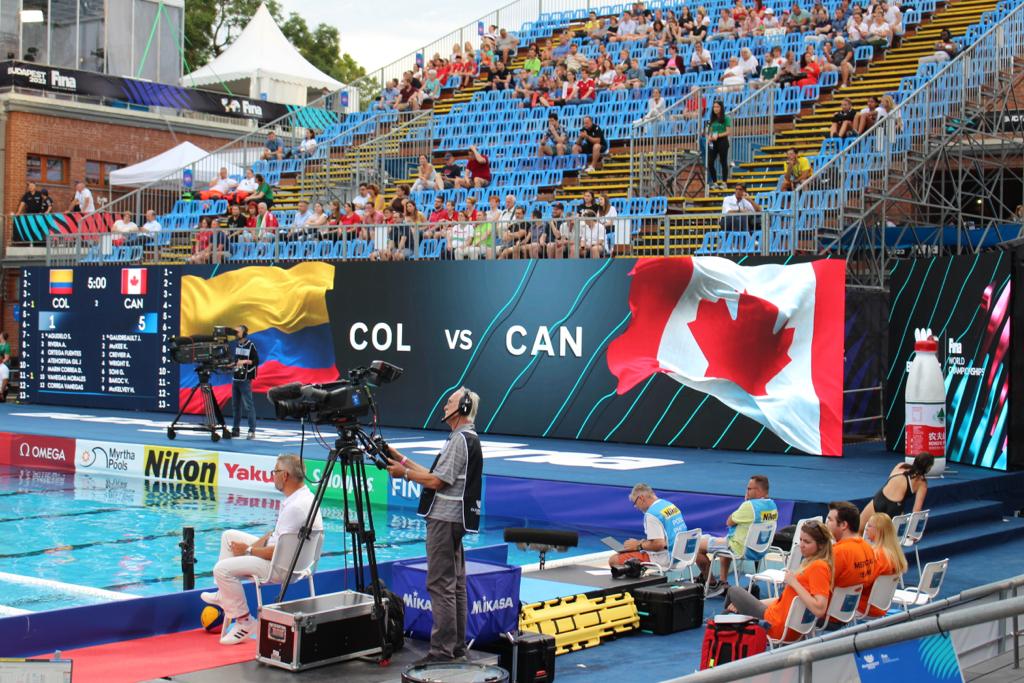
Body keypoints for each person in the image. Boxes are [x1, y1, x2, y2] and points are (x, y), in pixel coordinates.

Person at [386, 388, 484, 664]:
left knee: (441, 585)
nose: (444, 406)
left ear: (463, 408)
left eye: (450, 402)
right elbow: (434, 474)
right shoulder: (465, 439)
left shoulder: (460, 440)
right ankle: (456, 647)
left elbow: (436, 482)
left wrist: (403, 473)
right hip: (454, 518)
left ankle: (442, 651)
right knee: (456, 586)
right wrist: (400, 458)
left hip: (445, 518)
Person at [202, 454, 323, 645]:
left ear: (285, 475)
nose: (272, 476)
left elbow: (277, 552)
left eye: (274, 471)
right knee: (229, 536)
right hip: (298, 563)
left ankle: (244, 620)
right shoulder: (307, 497)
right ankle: (224, 594)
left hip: (280, 568)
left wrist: (248, 550)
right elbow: (280, 540)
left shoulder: (294, 508)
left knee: (221, 569)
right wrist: (259, 542)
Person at [723, 521, 833, 642]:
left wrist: (794, 583)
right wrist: (750, 604)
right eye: (801, 540)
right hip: (783, 621)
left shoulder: (818, 567)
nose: (801, 545)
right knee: (734, 606)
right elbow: (785, 600)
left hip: (774, 625)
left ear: (821, 545)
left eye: (807, 542)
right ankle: (722, 625)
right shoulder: (812, 564)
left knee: (733, 591)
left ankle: (717, 629)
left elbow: (820, 609)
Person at [696, 474, 779, 597]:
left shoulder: (749, 506)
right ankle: (723, 583)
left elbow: (729, 521)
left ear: (759, 490)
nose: (746, 491)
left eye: (749, 489)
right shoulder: (773, 506)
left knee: (697, 546)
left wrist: (746, 502)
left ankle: (712, 584)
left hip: (740, 548)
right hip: (759, 549)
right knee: (725, 541)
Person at [609, 483, 687, 570]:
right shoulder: (669, 505)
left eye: (635, 503)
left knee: (614, 560)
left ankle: (637, 582)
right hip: (681, 555)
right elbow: (667, 537)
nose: (636, 507)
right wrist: (641, 543)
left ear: (641, 498)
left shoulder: (652, 514)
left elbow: (659, 544)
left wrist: (638, 545)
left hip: (665, 558)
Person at [826, 501, 875, 624]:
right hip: (849, 612)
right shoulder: (868, 547)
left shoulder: (838, 552)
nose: (826, 524)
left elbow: (819, 588)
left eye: (830, 520)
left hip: (827, 615)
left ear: (843, 525)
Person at [859, 454, 932, 531]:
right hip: (895, 508)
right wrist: (912, 532)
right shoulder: (922, 483)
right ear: (928, 468)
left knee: (858, 530)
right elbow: (916, 511)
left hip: (880, 499)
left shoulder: (901, 466)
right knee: (888, 540)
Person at [863, 512, 908, 616]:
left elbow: (865, 583)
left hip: (867, 606)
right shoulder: (894, 553)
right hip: (882, 606)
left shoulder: (878, 555)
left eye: (869, 526)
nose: (866, 529)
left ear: (879, 530)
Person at [230, 325, 259, 440]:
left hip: (245, 379)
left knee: (248, 406)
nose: (236, 333)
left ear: (244, 332)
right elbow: (236, 360)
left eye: (238, 331)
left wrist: (244, 361)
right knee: (235, 406)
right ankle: (235, 429)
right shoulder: (237, 345)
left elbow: (256, 361)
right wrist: (231, 364)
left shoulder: (250, 345)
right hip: (235, 378)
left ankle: (252, 430)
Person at [707, 100, 731, 190]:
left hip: (722, 141)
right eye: (714, 107)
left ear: (721, 108)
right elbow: (710, 131)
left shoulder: (726, 118)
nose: (715, 109)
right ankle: (715, 182)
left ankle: (724, 182)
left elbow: (728, 132)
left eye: (717, 107)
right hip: (713, 142)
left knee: (723, 161)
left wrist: (718, 135)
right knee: (710, 162)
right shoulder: (712, 120)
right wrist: (709, 137)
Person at [0, 331, 9, 401]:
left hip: (4, 364)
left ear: (2, 337)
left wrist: (1, 362)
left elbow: (7, 357)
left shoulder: (7, 346)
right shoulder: (0, 345)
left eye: (0, 335)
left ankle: (4, 390)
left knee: (4, 378)